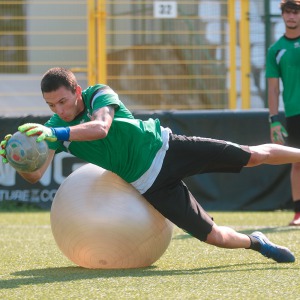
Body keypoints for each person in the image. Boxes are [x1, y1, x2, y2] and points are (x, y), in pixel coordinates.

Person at [0, 67, 297, 264]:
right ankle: (257, 242)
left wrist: (56, 133)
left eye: (63, 102)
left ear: (77, 91)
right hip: (150, 185)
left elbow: (101, 127)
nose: (59, 111)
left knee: (254, 156)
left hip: (168, 149)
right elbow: (36, 175)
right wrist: (19, 161)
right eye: (51, 106)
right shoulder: (55, 129)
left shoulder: (97, 95)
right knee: (214, 237)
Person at [266, 0, 300, 226]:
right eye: (288, 12)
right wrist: (274, 119)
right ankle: (298, 213)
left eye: (296, 12)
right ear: (283, 15)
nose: (292, 16)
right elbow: (273, 88)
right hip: (294, 112)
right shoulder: (275, 49)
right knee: (297, 162)